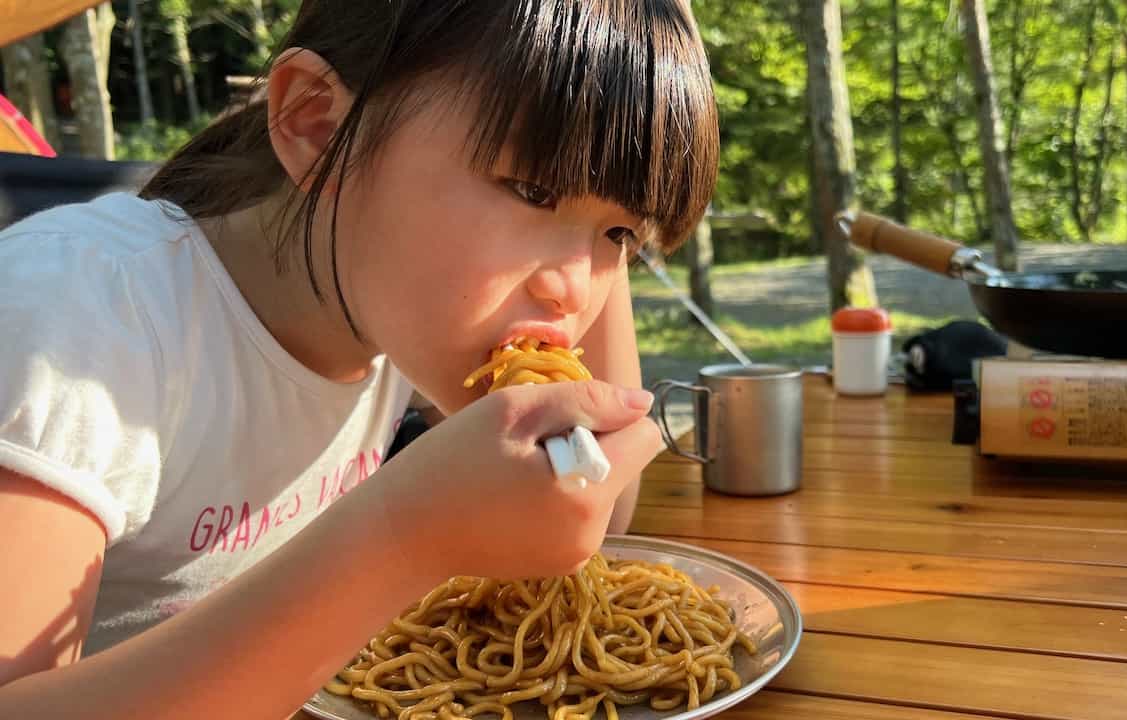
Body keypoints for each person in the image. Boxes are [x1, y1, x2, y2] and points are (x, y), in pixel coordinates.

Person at [0, 1, 719, 716]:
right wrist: (408, 535)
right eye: (533, 190)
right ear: (316, 125)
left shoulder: (393, 308)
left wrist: (614, 186)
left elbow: (595, 515)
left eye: (621, 236)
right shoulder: (74, 316)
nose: (573, 289)